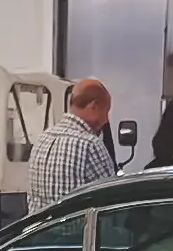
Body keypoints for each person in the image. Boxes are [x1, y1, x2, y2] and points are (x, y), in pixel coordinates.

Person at [28, 77, 116, 213]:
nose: (105, 120)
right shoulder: (90, 145)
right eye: (105, 112)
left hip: (41, 226)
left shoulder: (42, 139)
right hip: (74, 227)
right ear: (93, 106)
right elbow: (110, 200)